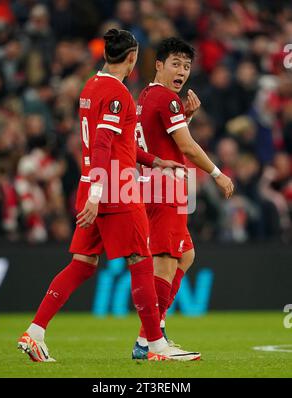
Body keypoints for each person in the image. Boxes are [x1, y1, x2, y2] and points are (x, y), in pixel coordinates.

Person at [17, 29, 201, 362]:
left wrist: (154, 160)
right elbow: (103, 142)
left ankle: (35, 332)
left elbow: (117, 144)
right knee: (141, 261)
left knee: (83, 264)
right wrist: (100, 193)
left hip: (93, 183)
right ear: (132, 58)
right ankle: (156, 345)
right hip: (115, 189)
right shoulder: (119, 94)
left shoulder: (90, 87)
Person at [132, 37, 234, 359]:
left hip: (150, 186)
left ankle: (150, 333)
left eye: (187, 66)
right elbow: (187, 147)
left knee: (185, 256)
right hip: (164, 189)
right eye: (175, 63)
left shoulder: (147, 96)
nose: (182, 71)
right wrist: (218, 174)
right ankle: (152, 341)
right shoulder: (166, 98)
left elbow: (162, 141)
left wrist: (186, 119)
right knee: (165, 262)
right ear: (159, 65)